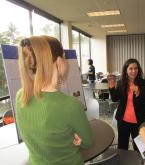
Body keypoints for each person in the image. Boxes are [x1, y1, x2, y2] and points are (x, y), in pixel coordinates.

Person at [16, 36, 93, 165]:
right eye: (64, 57)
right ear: (58, 61)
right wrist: (76, 138)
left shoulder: (21, 95)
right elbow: (88, 142)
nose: (66, 61)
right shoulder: (70, 105)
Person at [107, 58, 145, 150]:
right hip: (123, 121)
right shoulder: (121, 83)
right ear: (126, 70)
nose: (134, 71)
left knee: (139, 148)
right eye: (131, 68)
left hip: (138, 121)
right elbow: (114, 98)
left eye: (136, 68)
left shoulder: (143, 83)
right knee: (122, 146)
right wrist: (111, 86)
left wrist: (138, 92)